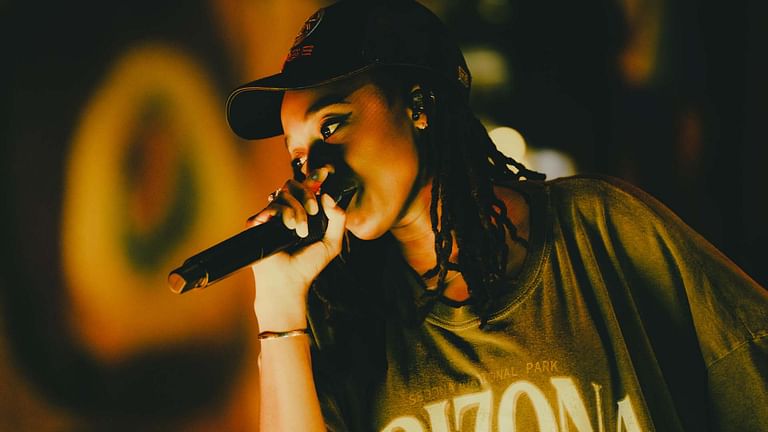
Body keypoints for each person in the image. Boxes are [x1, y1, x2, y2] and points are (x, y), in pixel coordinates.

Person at [225, 1, 768, 430]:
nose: (315, 171)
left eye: (332, 125)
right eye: (298, 156)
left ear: (419, 106)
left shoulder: (601, 227)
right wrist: (278, 309)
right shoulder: (341, 315)